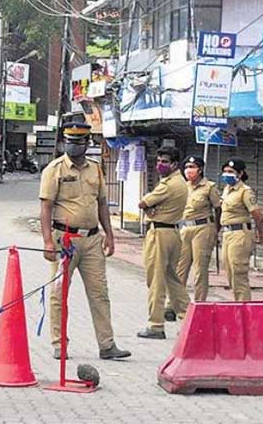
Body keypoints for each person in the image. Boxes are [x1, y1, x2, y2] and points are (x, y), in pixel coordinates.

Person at [39, 121, 130, 360]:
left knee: (100, 293)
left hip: (91, 240)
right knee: (59, 293)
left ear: (87, 144)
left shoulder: (95, 169)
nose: (74, 146)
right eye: (70, 142)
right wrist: (48, 241)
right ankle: (60, 344)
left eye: (78, 142)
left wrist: (109, 234)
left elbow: (101, 203)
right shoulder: (54, 169)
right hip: (64, 240)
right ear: (64, 142)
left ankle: (107, 345)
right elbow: (46, 207)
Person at [136, 146, 189, 339]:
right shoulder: (180, 182)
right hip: (173, 232)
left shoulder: (168, 185)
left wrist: (149, 209)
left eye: (164, 162)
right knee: (172, 279)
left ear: (174, 164)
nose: (160, 165)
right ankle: (188, 317)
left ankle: (156, 325)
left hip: (160, 233)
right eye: (158, 161)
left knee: (156, 280)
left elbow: (143, 203)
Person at [174, 156, 221, 306]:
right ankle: (177, 302)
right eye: (187, 167)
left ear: (200, 169)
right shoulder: (183, 186)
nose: (189, 170)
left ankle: (200, 303)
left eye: (192, 167)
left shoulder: (209, 187)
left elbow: (218, 209)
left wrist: (215, 229)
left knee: (200, 268)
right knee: (181, 266)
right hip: (185, 228)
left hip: (203, 228)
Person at [219, 158, 263, 301]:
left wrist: (261, 234)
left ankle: (244, 308)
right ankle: (237, 303)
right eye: (225, 171)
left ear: (240, 173)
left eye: (231, 172)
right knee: (229, 272)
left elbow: (257, 215)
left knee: (238, 273)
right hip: (227, 234)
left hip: (240, 234)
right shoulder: (227, 189)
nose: (227, 174)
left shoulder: (245, 191)